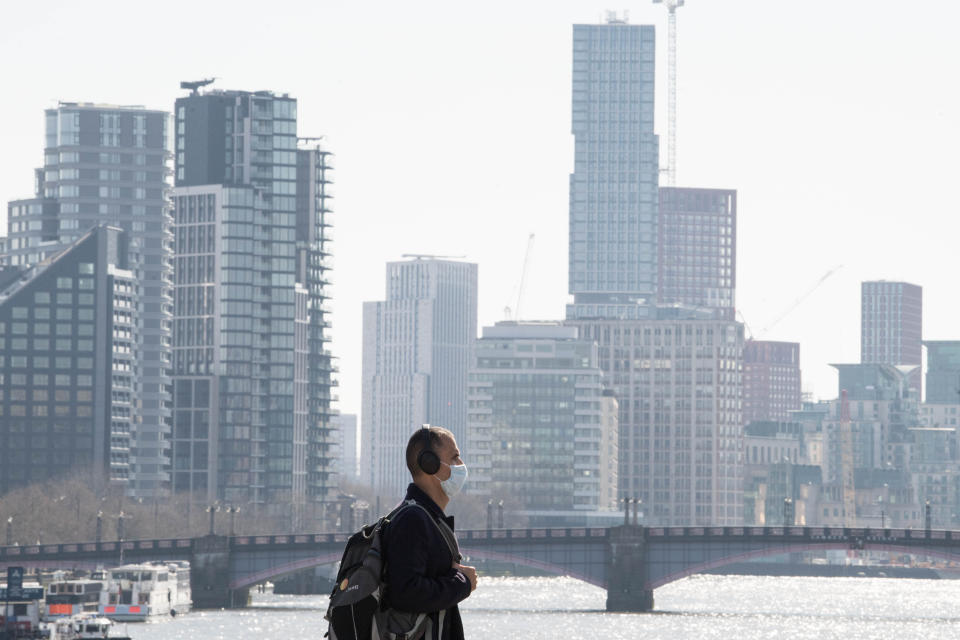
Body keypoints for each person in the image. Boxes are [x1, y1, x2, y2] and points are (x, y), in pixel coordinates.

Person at [384, 425, 477, 640]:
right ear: (429, 463)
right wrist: (462, 582)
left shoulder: (427, 518)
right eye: (454, 457)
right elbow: (406, 593)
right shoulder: (413, 520)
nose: (461, 465)